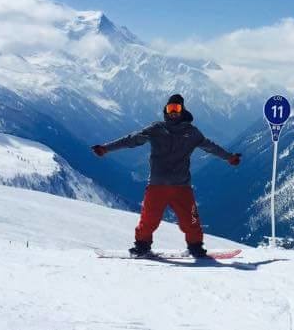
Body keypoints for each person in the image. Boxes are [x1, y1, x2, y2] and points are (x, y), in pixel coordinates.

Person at [91, 93, 242, 258]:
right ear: (165, 110)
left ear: (182, 110)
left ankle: (195, 247)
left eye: (176, 108)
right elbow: (131, 140)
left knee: (191, 220)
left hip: (181, 186)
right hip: (158, 185)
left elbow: (210, 146)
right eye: (170, 108)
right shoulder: (156, 129)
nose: (173, 112)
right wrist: (106, 148)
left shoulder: (192, 132)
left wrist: (229, 157)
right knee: (148, 219)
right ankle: (142, 246)